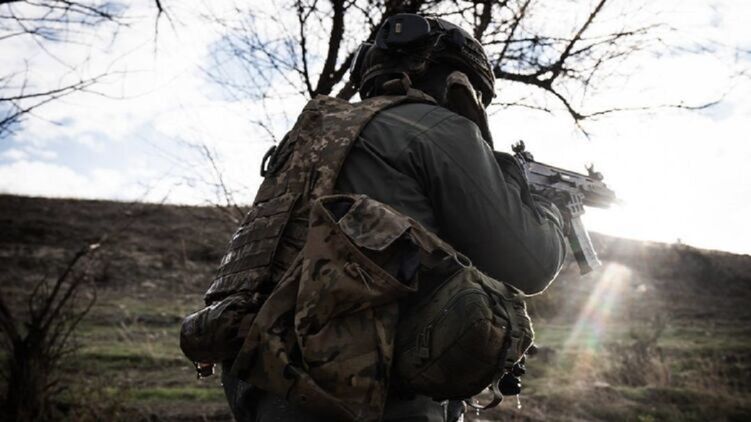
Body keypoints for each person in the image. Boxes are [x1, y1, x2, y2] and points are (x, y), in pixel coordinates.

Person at [207, 13, 566, 422]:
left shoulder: (308, 139)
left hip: (261, 378)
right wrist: (551, 211)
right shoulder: (440, 127)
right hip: (365, 391)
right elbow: (530, 263)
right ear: (460, 82)